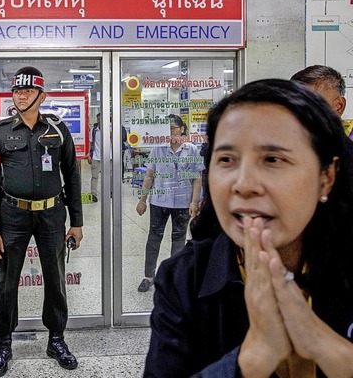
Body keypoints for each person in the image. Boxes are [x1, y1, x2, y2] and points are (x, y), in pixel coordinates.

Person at [144, 79, 353, 377]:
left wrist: (325, 346)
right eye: (227, 159)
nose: (244, 185)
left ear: (327, 177)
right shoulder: (184, 279)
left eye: (272, 159)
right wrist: (252, 359)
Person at [0, 66, 84, 377]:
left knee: (55, 278)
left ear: (42, 96)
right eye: (17, 90)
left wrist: (77, 222)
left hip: (52, 214)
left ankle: (56, 339)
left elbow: (72, 176)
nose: (21, 95)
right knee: (6, 281)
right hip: (12, 215)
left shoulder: (57, 130)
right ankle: (3, 342)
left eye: (27, 91)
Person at [135, 114, 204, 293]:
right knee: (154, 238)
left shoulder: (192, 150)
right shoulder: (158, 149)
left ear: (182, 129)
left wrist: (195, 202)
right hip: (159, 201)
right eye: (168, 128)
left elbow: (197, 179)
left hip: (182, 202)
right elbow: (149, 176)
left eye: (174, 128)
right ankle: (149, 276)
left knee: (178, 240)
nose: (171, 131)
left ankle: (175, 278)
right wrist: (143, 199)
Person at [88, 113, 102, 202]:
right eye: (98, 119)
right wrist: (89, 155)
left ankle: (111, 192)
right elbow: (90, 143)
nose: (100, 121)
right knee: (94, 176)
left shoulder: (112, 128)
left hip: (109, 157)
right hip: (96, 156)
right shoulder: (94, 130)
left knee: (110, 175)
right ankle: (93, 194)